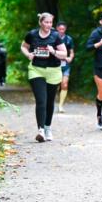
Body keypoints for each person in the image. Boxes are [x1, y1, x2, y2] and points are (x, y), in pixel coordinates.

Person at [21, 13, 67, 142]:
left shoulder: (56, 36)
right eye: (46, 22)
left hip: (53, 71)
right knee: (41, 100)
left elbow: (64, 54)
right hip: (36, 70)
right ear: (40, 22)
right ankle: (40, 130)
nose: (48, 25)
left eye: (50, 22)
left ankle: (47, 128)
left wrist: (53, 52)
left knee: (49, 101)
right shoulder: (32, 34)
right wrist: (28, 55)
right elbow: (23, 46)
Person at [56, 21, 75, 113]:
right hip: (54, 65)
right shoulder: (53, 38)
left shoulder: (69, 39)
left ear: (65, 29)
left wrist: (70, 58)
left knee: (64, 84)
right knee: (55, 85)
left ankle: (60, 105)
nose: (61, 31)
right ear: (57, 29)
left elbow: (71, 52)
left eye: (63, 29)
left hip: (65, 65)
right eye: (60, 29)